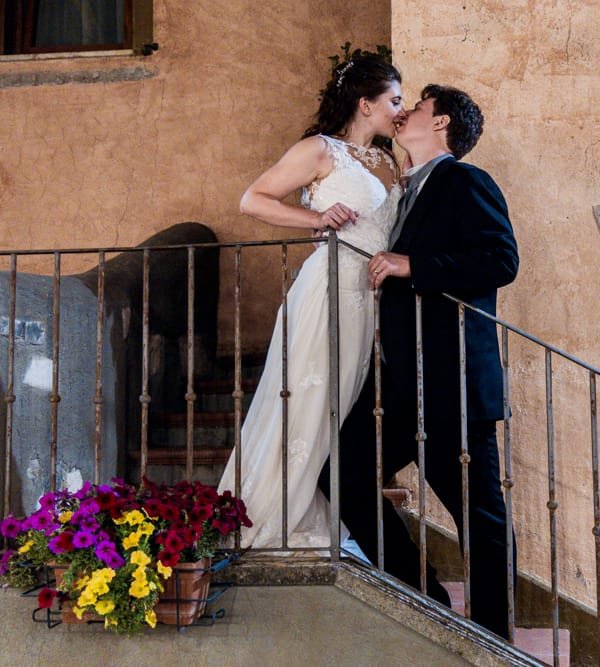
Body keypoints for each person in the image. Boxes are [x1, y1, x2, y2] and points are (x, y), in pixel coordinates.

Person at [319, 85, 519, 638]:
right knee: (341, 473)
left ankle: (494, 640)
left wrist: (413, 264)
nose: (405, 112)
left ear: (442, 123)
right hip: (401, 383)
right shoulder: (405, 190)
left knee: (479, 515)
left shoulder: (465, 181)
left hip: (453, 384)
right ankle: (427, 597)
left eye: (420, 107)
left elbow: (501, 259)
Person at [216, 54, 404, 549]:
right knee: (307, 402)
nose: (400, 111)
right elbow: (253, 199)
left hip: (369, 299)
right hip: (327, 288)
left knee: (342, 409)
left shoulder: (389, 161)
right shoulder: (320, 149)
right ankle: (274, 515)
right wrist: (317, 220)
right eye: (394, 101)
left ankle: (326, 511)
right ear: (366, 104)